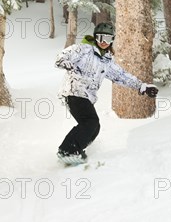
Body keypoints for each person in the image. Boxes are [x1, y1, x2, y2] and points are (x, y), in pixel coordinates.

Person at [55, 22, 158, 165]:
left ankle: (75, 153)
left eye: (108, 39)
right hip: (74, 91)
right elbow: (63, 56)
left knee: (95, 127)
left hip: (87, 97)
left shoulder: (106, 61)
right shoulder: (83, 49)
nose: (104, 42)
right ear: (96, 37)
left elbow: (122, 76)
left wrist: (142, 87)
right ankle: (67, 150)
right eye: (101, 38)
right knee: (90, 122)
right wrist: (64, 62)